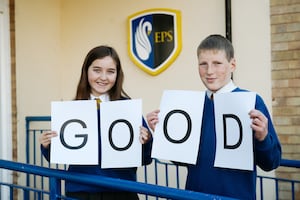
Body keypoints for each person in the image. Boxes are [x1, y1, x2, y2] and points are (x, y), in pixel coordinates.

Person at [146, 34, 282, 199]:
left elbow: (271, 163)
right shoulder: (191, 106)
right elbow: (186, 161)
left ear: (232, 65)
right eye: (203, 64)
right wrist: (165, 136)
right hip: (195, 196)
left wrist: (263, 138)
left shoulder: (252, 102)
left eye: (217, 63)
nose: (209, 71)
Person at [39, 45, 152, 200]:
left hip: (121, 190)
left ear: (117, 75)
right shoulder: (71, 109)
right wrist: (47, 145)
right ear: (86, 71)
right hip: (81, 190)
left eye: (110, 72)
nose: (103, 77)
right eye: (97, 70)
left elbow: (145, 159)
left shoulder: (128, 108)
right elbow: (59, 154)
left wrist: (146, 141)